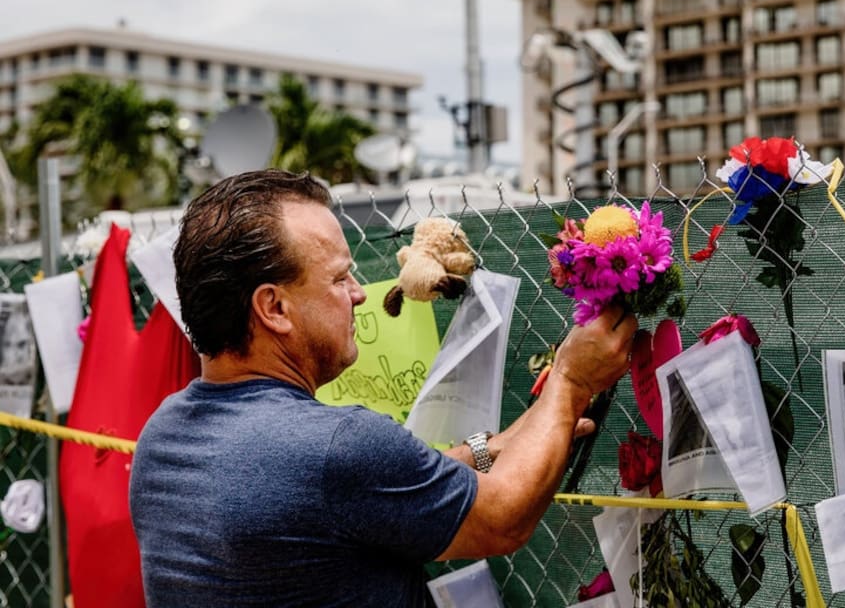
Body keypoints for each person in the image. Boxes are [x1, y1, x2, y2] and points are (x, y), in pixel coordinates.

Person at [129, 170, 638, 607]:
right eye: (339, 279)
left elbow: (354, 496)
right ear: (274, 308)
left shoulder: (163, 436)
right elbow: (501, 518)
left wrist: (486, 450)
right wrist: (570, 381)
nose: (357, 294)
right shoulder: (336, 447)